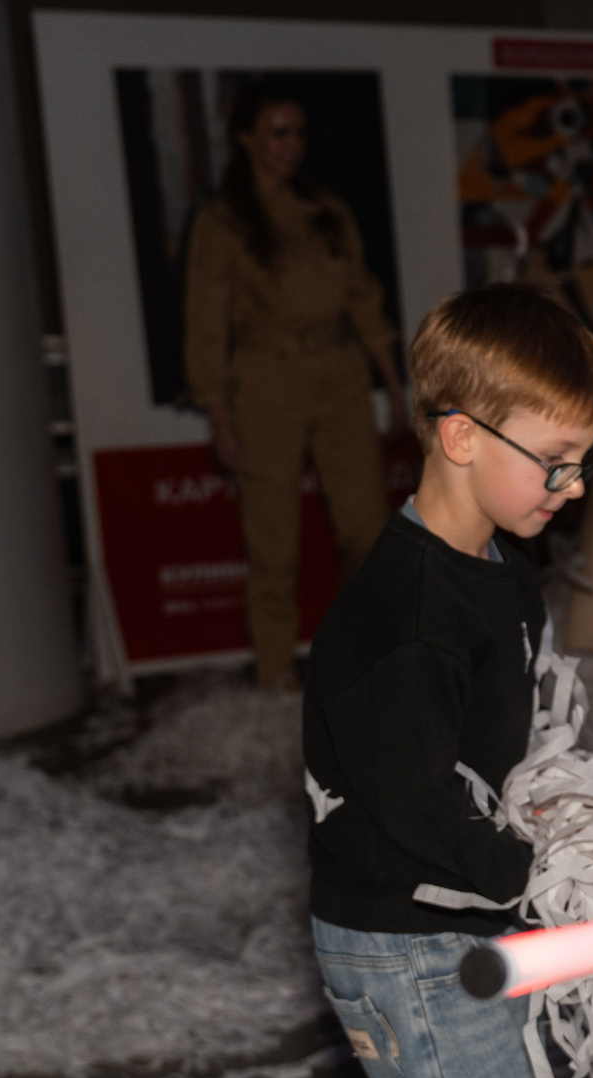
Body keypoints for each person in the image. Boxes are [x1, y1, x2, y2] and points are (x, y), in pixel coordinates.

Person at [302, 285, 593, 1078]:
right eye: (555, 460)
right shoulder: (407, 620)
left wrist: (570, 823)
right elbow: (417, 810)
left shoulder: (500, 570)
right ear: (460, 436)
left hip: (460, 924)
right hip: (414, 951)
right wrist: (547, 876)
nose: (573, 486)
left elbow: (498, 761)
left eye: (584, 461)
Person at [184, 77, 408, 689]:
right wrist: (219, 414)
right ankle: (275, 670)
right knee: (273, 542)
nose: (291, 145)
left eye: (299, 133)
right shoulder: (223, 221)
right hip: (265, 378)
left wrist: (395, 384)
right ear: (246, 138)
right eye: (278, 133)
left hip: (339, 371)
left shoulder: (328, 213)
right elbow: (206, 323)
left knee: (368, 528)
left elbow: (363, 299)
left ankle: (355, 653)